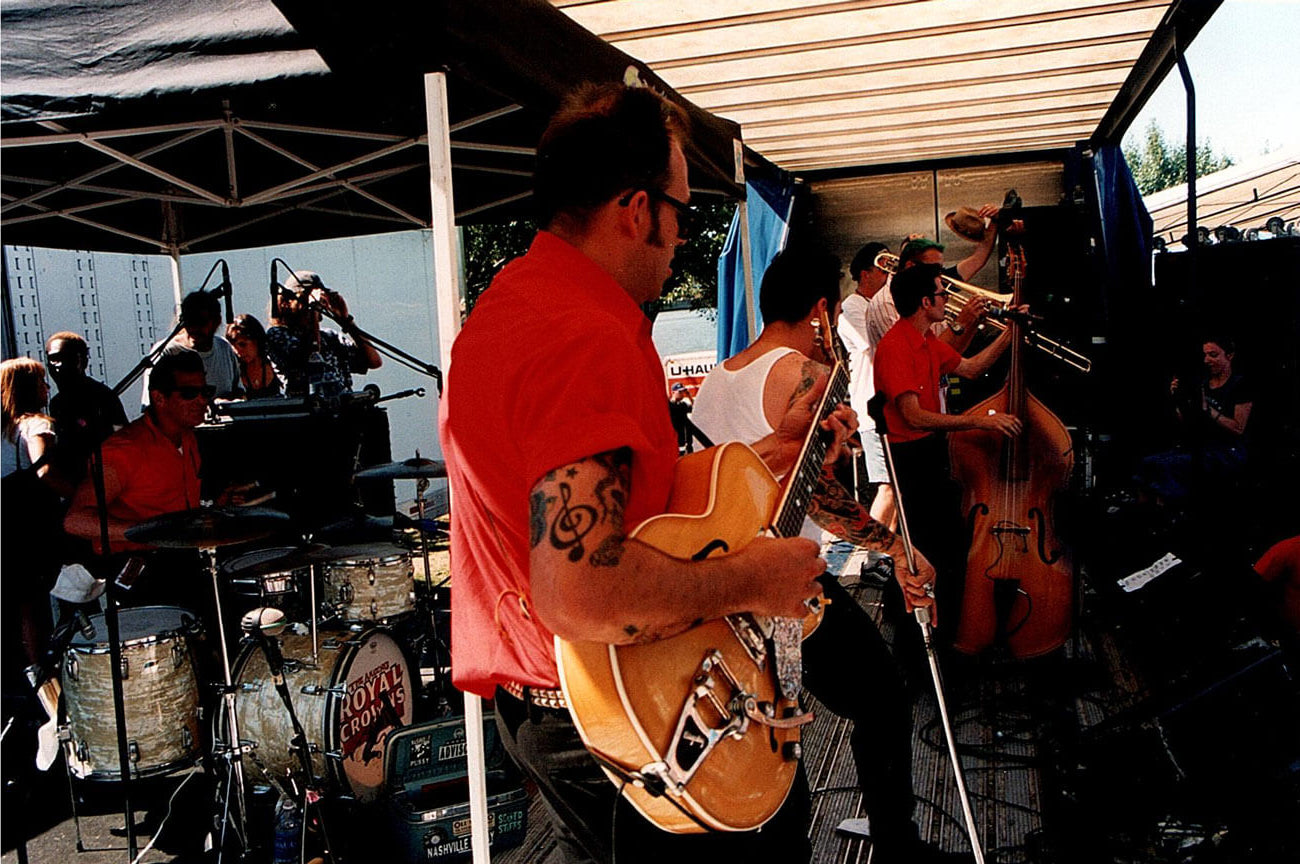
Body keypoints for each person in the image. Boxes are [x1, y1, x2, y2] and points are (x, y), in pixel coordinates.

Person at [440, 82, 855, 863]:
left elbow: (632, 504)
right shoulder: (583, 338)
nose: (682, 241)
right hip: (632, 709)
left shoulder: (506, 311)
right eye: (682, 213)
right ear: (636, 210)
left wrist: (776, 453)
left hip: (559, 708)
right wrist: (749, 579)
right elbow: (584, 587)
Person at [693, 245, 970, 863]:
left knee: (775, 737)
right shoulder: (802, 374)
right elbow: (819, 500)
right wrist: (897, 549)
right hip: (788, 587)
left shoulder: (718, 377)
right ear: (820, 309)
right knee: (880, 697)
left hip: (728, 591)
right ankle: (897, 846)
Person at [873, 264, 1021, 649]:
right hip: (910, 457)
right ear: (925, 302)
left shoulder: (924, 340)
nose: (945, 301)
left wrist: (1011, 333)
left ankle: (946, 639)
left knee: (949, 549)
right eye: (941, 294)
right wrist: (978, 422)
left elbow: (972, 368)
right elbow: (912, 415)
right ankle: (919, 648)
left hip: (929, 451)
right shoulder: (895, 346)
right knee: (926, 554)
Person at [64, 349, 209, 611]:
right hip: (139, 569)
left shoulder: (187, 438)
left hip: (181, 559)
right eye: (189, 393)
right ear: (159, 398)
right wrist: (144, 530)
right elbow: (75, 520)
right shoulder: (123, 450)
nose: (202, 400)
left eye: (205, 391)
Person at [2, 358, 69, 665]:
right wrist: (76, 491)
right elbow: (43, 470)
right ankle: (55, 666)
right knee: (52, 591)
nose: (48, 387)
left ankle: (34, 673)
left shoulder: (6, 429)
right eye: (42, 381)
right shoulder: (38, 424)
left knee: (23, 602)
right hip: (34, 521)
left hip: (8, 519)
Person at [1139, 337, 1252, 511]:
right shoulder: (1203, 384)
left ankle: (1170, 513)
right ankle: (1148, 514)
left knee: (1171, 466)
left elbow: (1238, 428)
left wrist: (1208, 410)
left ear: (1229, 356)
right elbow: (1188, 423)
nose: (1207, 360)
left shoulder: (1240, 385)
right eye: (1205, 355)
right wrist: (1178, 400)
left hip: (1229, 451)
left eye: (1213, 355)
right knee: (1149, 463)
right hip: (1203, 446)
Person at [837, 241, 897, 524]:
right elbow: (877, 343)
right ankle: (873, 558)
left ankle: (890, 555)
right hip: (874, 410)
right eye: (882, 270)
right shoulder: (852, 306)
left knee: (898, 491)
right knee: (888, 488)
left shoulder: (882, 305)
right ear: (864, 274)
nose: (887, 277)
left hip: (893, 406)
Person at [266, 271, 381, 398]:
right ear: (288, 302)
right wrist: (313, 310)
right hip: (309, 412)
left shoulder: (329, 336)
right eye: (307, 297)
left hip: (343, 412)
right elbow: (312, 356)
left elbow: (373, 361)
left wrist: (346, 320)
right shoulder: (277, 335)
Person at [44, 331, 128, 485]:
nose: (58, 366)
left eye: (66, 358)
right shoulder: (57, 403)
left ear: (82, 361)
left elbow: (122, 439)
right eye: (52, 359)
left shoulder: (102, 396)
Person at [142, 290, 243, 404]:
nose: (194, 328)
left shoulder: (224, 349)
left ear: (216, 322)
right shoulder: (166, 352)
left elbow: (240, 393)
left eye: (201, 322)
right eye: (190, 322)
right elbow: (152, 406)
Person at [226, 314, 282, 399]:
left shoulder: (275, 364)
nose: (237, 351)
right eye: (233, 347)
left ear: (257, 341)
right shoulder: (233, 371)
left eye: (243, 344)